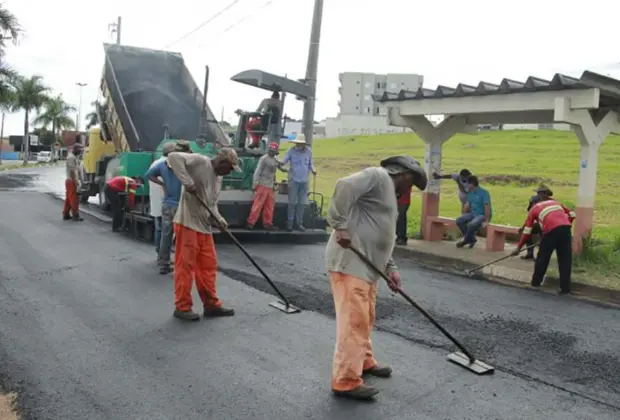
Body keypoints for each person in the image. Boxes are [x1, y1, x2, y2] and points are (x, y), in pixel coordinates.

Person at [325, 155, 427, 401]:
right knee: (354, 322)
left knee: (365, 317)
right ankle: (346, 380)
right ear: (402, 173)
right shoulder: (378, 176)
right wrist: (339, 226)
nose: (409, 189)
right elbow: (344, 185)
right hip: (351, 264)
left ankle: (364, 361)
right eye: (411, 182)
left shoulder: (388, 194)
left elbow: (382, 235)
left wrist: (391, 268)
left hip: (369, 268)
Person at [166, 147, 242, 321]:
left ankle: (211, 305)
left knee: (208, 267)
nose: (229, 172)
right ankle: (182, 307)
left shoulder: (218, 179)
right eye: (229, 168)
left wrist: (219, 219)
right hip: (187, 224)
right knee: (185, 268)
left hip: (204, 227)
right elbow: (173, 157)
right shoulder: (200, 161)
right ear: (222, 162)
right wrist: (187, 182)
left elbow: (211, 204)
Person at [511, 185, 576, 295]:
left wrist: (518, 247)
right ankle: (565, 289)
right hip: (566, 229)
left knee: (543, 258)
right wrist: (566, 223)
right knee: (565, 260)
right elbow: (572, 214)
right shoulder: (556, 203)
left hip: (551, 232)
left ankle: (535, 283)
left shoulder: (534, 209)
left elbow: (527, 230)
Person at [144, 142, 181, 274]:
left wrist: (163, 184)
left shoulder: (160, 164)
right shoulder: (180, 164)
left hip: (166, 204)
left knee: (165, 233)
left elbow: (147, 175)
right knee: (182, 235)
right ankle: (180, 263)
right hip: (179, 204)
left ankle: (163, 260)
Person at [280, 133, 316, 231]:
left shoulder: (309, 152)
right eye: (297, 143)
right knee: (292, 202)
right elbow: (284, 161)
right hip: (294, 180)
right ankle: (290, 223)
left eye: (300, 144)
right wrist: (279, 163)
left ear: (303, 144)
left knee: (301, 203)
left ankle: (299, 223)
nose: (298, 145)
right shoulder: (291, 151)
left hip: (304, 181)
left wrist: (313, 170)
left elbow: (310, 163)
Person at [247, 142, 287, 230]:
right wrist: (255, 183)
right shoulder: (264, 159)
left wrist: (287, 170)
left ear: (275, 151)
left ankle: (267, 223)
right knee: (258, 205)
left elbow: (280, 167)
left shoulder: (275, 160)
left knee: (269, 206)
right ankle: (250, 222)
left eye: (273, 150)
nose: (271, 152)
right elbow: (258, 171)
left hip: (270, 186)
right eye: (270, 150)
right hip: (262, 184)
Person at [146, 145, 171, 255]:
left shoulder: (155, 163)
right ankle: (163, 255)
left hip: (156, 201)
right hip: (166, 202)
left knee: (159, 228)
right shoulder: (168, 164)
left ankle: (159, 251)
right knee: (166, 231)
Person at [456, 175, 492, 248]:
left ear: (472, 184)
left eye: (467, 183)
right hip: (473, 213)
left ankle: (465, 241)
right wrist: (464, 214)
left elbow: (487, 207)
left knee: (471, 225)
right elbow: (467, 205)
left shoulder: (484, 193)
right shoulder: (471, 193)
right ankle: (471, 239)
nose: (466, 185)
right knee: (459, 221)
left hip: (482, 215)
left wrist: (486, 220)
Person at [520, 189, 545, 260]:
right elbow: (529, 218)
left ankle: (541, 256)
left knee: (543, 237)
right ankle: (530, 253)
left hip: (548, 225)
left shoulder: (548, 202)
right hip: (540, 224)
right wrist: (523, 227)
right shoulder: (533, 202)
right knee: (527, 231)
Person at [63, 143, 84, 222]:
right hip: (72, 180)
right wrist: (76, 182)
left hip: (71, 181)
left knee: (69, 199)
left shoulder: (74, 157)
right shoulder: (71, 158)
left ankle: (66, 214)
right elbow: (72, 171)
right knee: (74, 199)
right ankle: (75, 215)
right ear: (75, 150)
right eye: (80, 150)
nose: (81, 152)